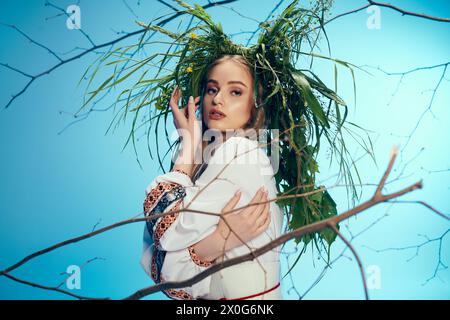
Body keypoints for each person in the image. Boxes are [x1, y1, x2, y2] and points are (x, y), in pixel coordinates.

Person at [140, 54, 284, 300]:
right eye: (211, 89)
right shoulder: (217, 160)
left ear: (255, 104)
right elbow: (167, 273)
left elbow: (166, 228)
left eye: (235, 92)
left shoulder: (240, 151)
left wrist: (187, 146)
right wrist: (219, 239)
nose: (217, 99)